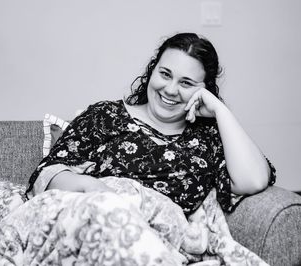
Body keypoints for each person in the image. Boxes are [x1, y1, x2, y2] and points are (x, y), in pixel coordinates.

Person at [26, 32, 276, 216]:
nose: (170, 90)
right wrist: (93, 189)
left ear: (204, 91)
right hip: (93, 219)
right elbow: (47, 174)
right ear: (152, 71)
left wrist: (220, 111)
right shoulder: (106, 115)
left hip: (159, 241)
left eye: (186, 83)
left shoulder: (207, 139)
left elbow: (253, 181)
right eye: (165, 74)